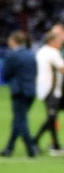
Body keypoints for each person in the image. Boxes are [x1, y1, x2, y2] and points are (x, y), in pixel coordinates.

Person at [0, 30, 38, 157]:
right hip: (31, 91)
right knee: (18, 120)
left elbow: (5, 74)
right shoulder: (31, 55)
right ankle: (9, 148)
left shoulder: (13, 56)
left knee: (20, 121)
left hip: (19, 91)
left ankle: (31, 147)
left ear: (14, 41)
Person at [33, 24, 64, 154]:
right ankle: (47, 144)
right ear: (52, 41)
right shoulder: (52, 53)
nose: (60, 44)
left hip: (45, 89)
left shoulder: (42, 51)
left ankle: (51, 144)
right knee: (52, 117)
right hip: (51, 90)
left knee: (52, 117)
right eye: (58, 41)